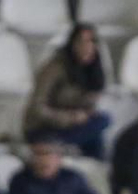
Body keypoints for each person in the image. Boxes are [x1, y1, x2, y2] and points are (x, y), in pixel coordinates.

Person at [23, 21, 107, 158]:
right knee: (101, 124)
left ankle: (96, 171)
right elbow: (37, 108)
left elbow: (88, 108)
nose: (87, 47)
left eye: (91, 42)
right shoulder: (54, 68)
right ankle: (56, 150)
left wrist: (87, 112)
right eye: (82, 41)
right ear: (72, 44)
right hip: (43, 128)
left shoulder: (93, 71)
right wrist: (70, 118)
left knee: (101, 125)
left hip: (71, 128)